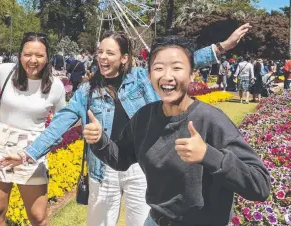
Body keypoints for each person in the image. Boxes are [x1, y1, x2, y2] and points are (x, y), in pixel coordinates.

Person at [2, 24, 252, 226]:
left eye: (110, 53)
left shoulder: (143, 79)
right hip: (104, 166)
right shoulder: (87, 90)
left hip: (140, 166)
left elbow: (183, 62)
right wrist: (28, 154)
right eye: (100, 51)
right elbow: (60, 124)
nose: (102, 57)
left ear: (124, 58)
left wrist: (221, 47)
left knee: (139, 219)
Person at [84, 36, 270, 226]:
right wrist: (100, 140)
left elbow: (260, 185)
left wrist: (209, 155)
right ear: (149, 76)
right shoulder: (144, 117)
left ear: (191, 74)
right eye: (158, 68)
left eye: (177, 68)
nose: (167, 76)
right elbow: (121, 159)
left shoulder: (211, 120)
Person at [0, 26, 66, 226]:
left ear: (47, 57)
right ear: (20, 55)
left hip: (33, 150)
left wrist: (41, 148)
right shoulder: (6, 71)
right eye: (28, 54)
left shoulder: (55, 86)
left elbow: (60, 124)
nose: (33, 60)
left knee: (38, 217)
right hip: (0, 146)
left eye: (39, 55)